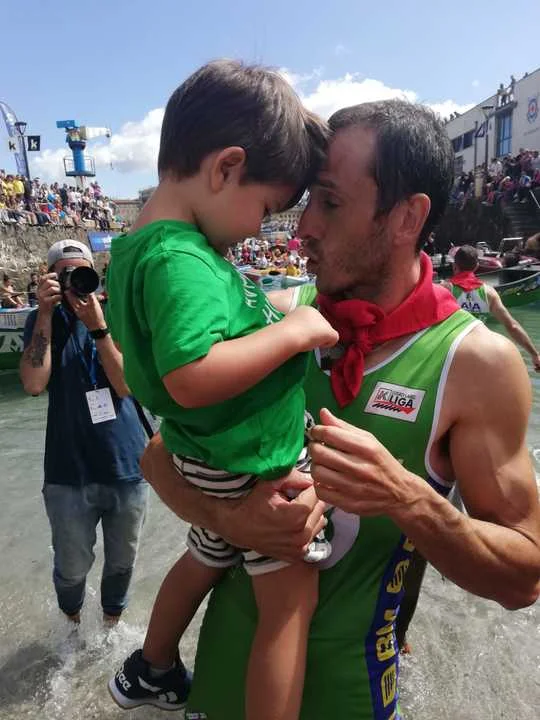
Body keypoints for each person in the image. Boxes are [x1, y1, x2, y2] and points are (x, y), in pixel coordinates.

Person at [135, 99, 540, 720]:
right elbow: (159, 457)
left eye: (329, 202)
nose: (302, 228)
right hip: (216, 683)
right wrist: (230, 518)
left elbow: (524, 578)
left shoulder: (475, 364)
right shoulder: (275, 315)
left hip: (351, 697)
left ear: (407, 217)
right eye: (304, 203)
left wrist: (407, 497)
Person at [107, 60, 336, 719]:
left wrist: (282, 308)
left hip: (202, 456)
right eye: (265, 208)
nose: (262, 228)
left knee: (204, 555)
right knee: (290, 603)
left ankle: (152, 665)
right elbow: (192, 374)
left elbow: (198, 339)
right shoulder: (182, 258)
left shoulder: (143, 248)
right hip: (247, 459)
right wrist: (293, 333)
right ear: (226, 167)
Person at [19, 239, 148, 624]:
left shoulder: (115, 314)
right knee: (71, 568)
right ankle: (70, 628)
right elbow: (33, 384)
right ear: (49, 278)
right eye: (65, 274)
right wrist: (45, 314)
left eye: (81, 272)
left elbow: (125, 386)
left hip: (125, 464)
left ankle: (110, 627)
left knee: (122, 562)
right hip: (68, 470)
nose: (74, 281)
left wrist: (98, 328)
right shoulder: (42, 319)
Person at [443, 245, 540, 369]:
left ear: (454, 266)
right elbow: (512, 326)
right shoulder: (488, 292)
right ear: (476, 266)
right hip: (480, 354)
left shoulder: (445, 289)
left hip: (451, 354)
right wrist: (535, 354)